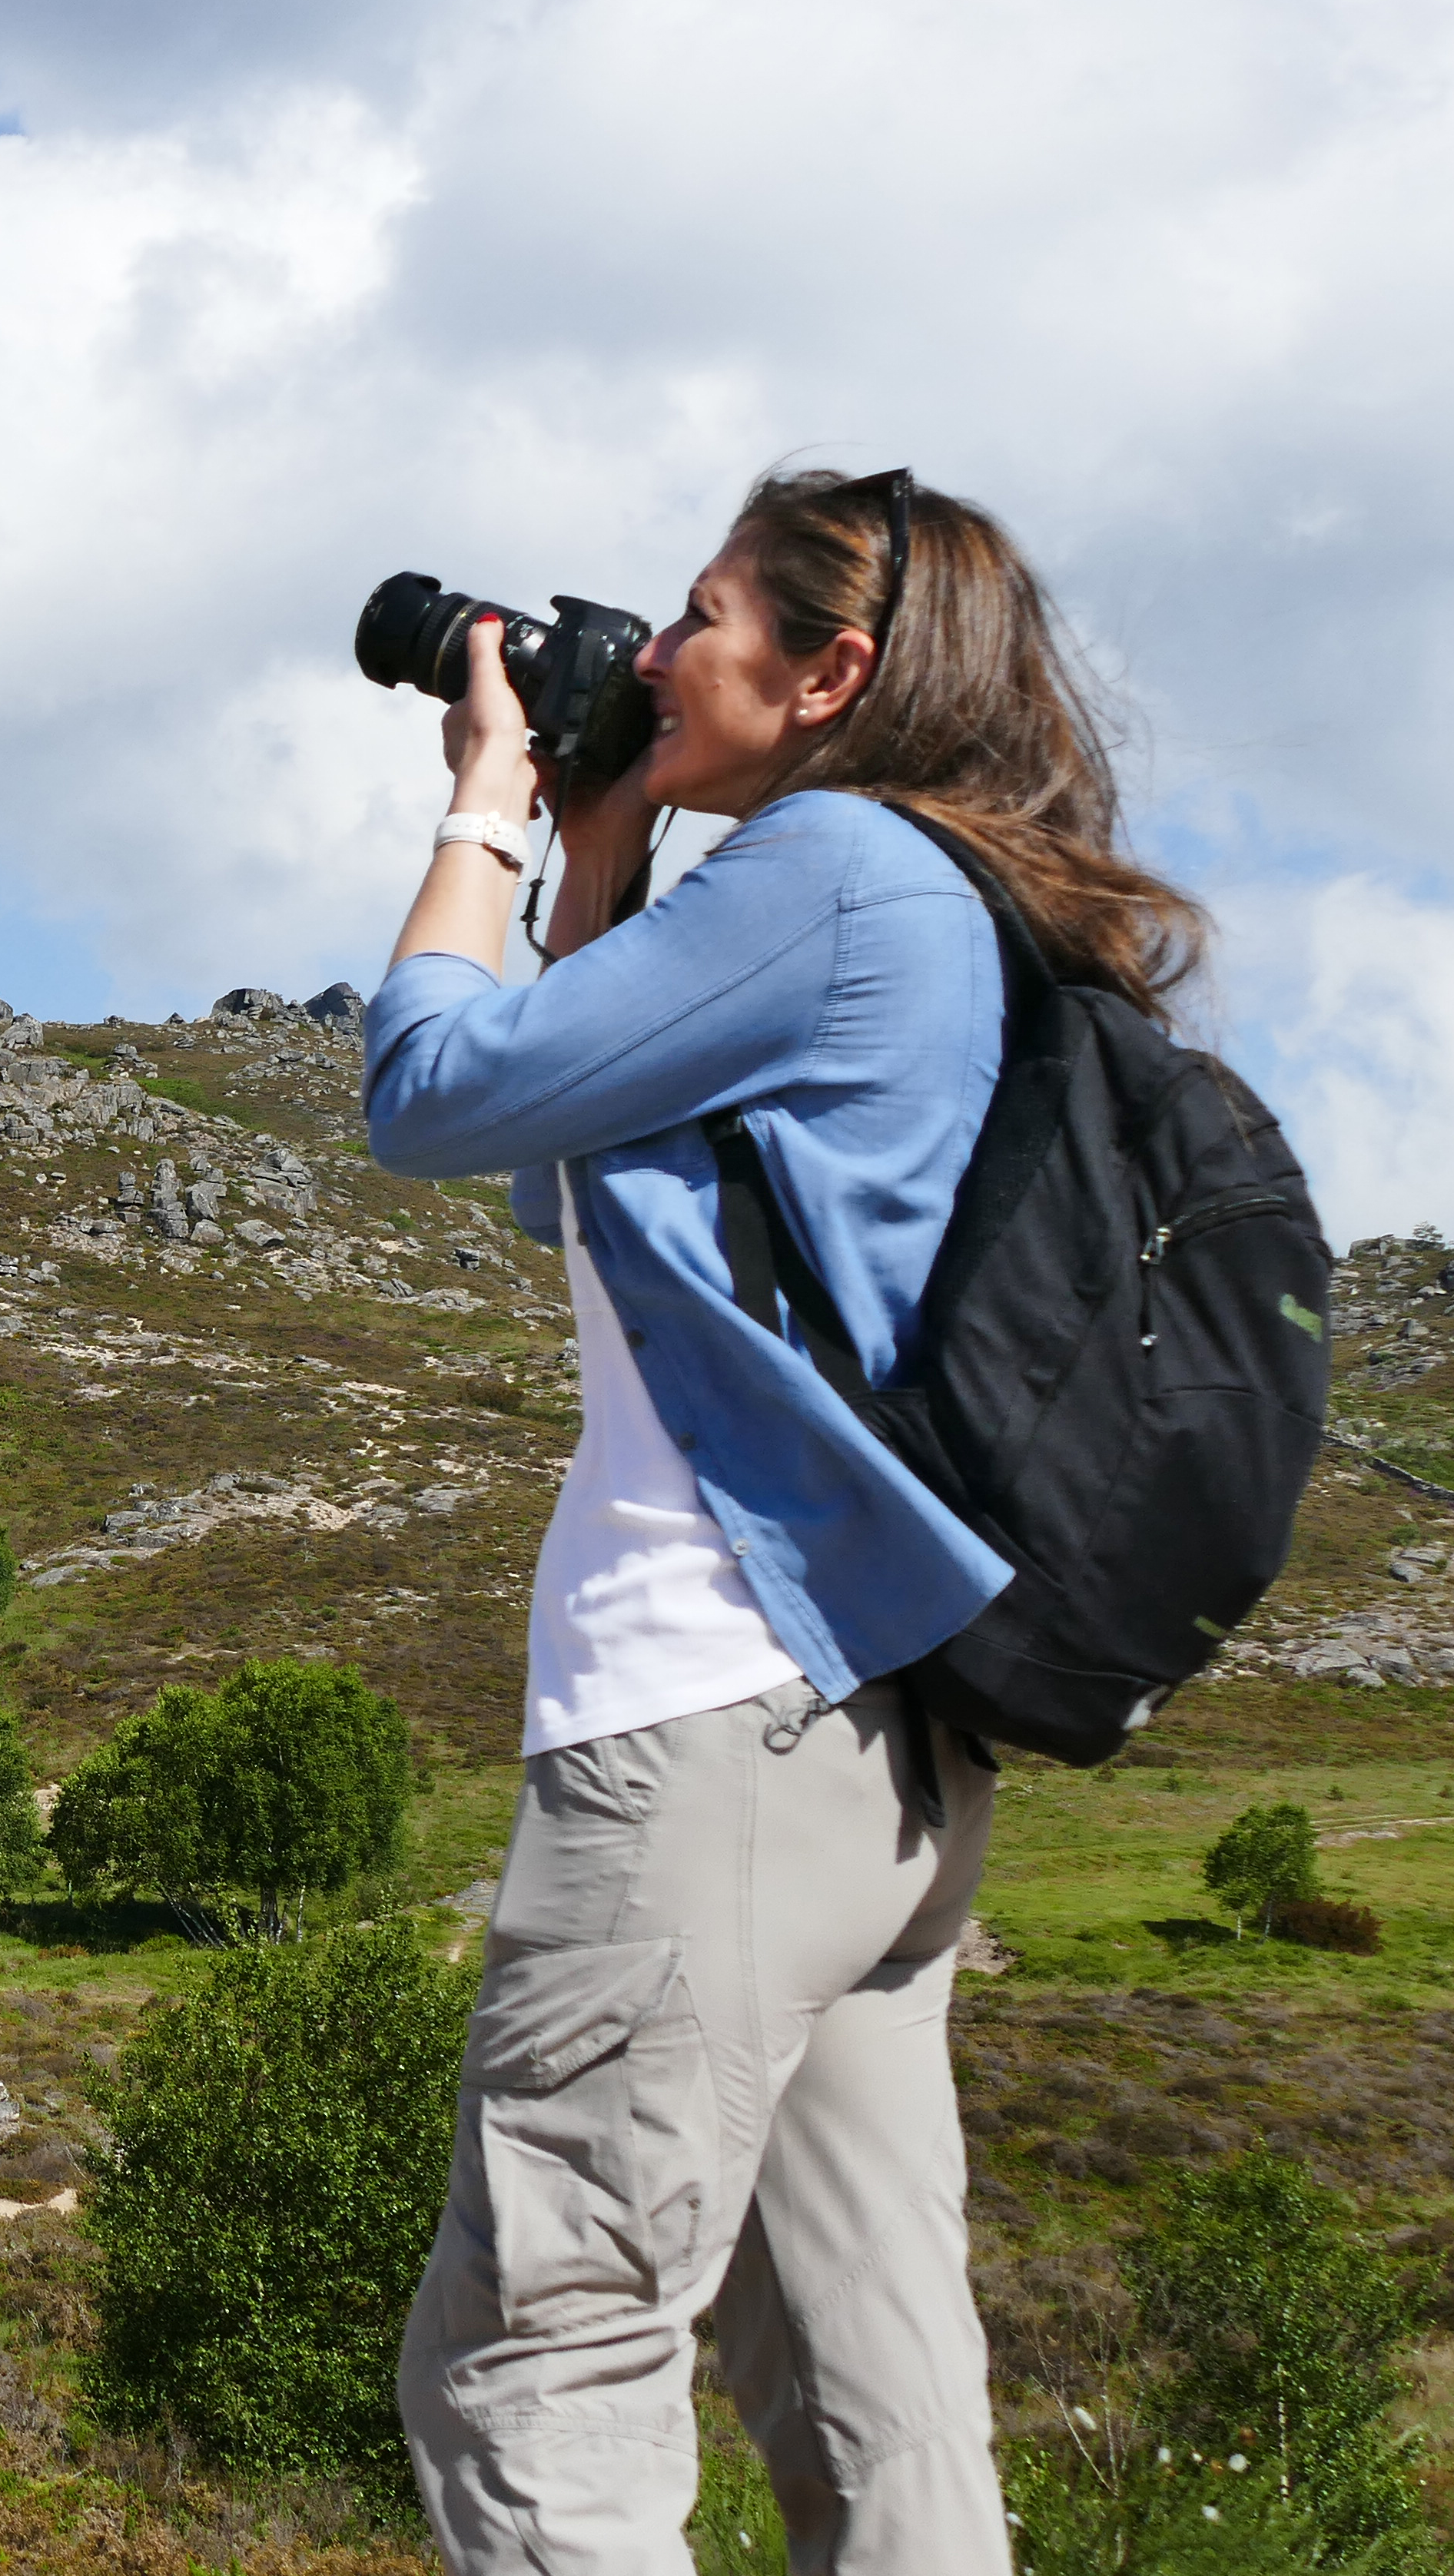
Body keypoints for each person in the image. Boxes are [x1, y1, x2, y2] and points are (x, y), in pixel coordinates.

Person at [360, 469, 1206, 2573]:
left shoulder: (831, 873)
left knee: (536, 2356)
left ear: (835, 674)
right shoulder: (928, 896)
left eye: (701, 618)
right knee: (876, 2400)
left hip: (709, 1720)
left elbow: (434, 1091)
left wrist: (480, 804)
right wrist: (613, 842)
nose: (653, 654)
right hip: (867, 1753)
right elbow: (577, 1158)